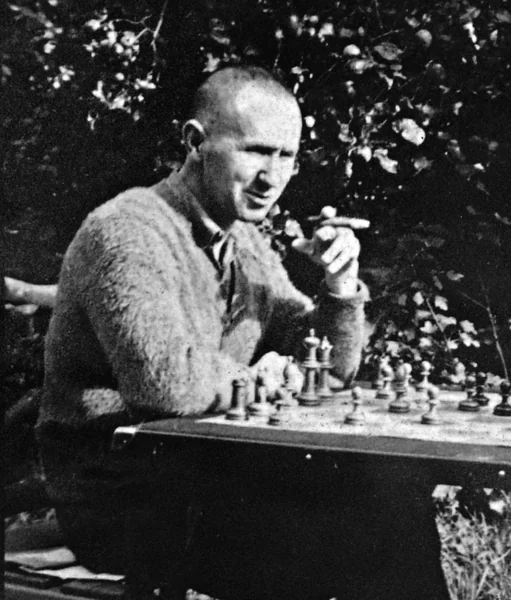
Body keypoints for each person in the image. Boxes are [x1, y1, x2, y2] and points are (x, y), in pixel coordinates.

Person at [36, 65, 447, 599]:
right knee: (367, 520)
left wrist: (341, 286)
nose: (271, 177)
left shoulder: (245, 241)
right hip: (120, 501)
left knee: (391, 492)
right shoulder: (126, 229)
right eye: (255, 151)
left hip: (204, 477)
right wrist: (266, 379)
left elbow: (329, 366)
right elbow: (165, 386)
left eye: (286, 156)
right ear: (195, 143)